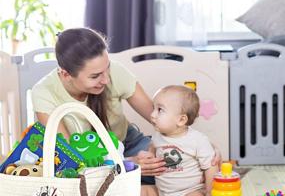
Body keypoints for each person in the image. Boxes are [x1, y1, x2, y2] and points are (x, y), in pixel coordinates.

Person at [31, 27, 221, 184]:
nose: (105, 79)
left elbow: (157, 117)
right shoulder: (44, 92)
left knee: (179, 169)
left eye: (107, 69)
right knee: (87, 183)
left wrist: (202, 146)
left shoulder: (115, 72)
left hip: (127, 143)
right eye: (95, 76)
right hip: (88, 161)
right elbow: (71, 158)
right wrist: (128, 164)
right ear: (66, 74)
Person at [140, 85, 219, 196]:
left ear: (181, 120)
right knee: (139, 191)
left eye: (160, 110)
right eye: (153, 108)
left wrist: (210, 192)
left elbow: (211, 166)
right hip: (162, 193)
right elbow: (153, 146)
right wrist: (149, 155)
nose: (152, 114)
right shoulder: (158, 135)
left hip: (188, 193)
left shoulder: (197, 140)